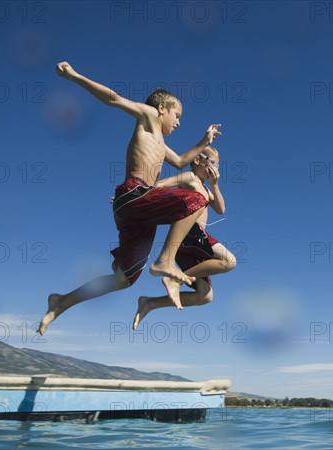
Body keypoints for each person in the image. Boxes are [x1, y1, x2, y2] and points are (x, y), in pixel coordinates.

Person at [37, 61, 221, 336]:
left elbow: (182, 161)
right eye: (177, 115)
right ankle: (165, 261)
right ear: (162, 108)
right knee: (196, 200)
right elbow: (113, 99)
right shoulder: (148, 117)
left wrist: (203, 142)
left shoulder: (161, 142)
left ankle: (61, 302)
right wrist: (75, 77)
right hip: (134, 194)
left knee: (123, 279)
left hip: (139, 211)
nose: (179, 122)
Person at [133, 146, 236, 330]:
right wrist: (135, 196)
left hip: (192, 245)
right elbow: (162, 184)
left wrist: (215, 185)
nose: (214, 169)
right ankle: (176, 280)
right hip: (190, 234)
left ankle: (149, 303)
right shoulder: (190, 178)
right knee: (228, 261)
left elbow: (221, 209)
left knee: (204, 296)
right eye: (211, 163)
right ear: (197, 160)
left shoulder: (206, 188)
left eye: (218, 166)